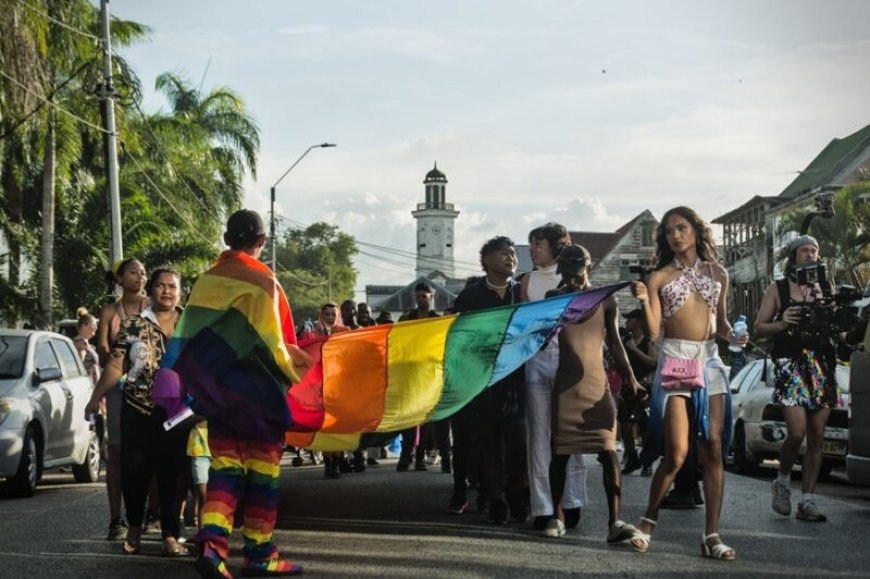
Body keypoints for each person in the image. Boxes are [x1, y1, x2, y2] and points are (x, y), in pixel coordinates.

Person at [167, 209, 310, 578]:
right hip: (260, 397)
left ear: (228, 239)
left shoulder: (207, 281)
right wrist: (302, 366)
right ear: (260, 241)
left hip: (221, 398)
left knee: (225, 471)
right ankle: (260, 554)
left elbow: (187, 338)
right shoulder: (265, 281)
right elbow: (280, 345)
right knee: (263, 475)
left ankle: (213, 549)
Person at [628, 206, 746, 560]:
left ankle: (711, 535)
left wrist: (735, 338)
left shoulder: (718, 273)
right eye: (668, 231)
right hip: (676, 360)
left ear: (696, 230)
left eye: (681, 228)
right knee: (677, 453)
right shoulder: (659, 277)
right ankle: (647, 522)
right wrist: (645, 299)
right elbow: (652, 332)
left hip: (710, 360)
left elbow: (721, 323)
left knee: (713, 447)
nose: (675, 235)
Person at [86, 268, 189, 557]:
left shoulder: (190, 324)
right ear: (151, 290)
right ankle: (134, 526)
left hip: (176, 411)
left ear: (180, 292)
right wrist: (96, 398)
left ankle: (170, 534)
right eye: (160, 286)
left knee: (173, 472)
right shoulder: (133, 324)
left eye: (172, 286)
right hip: (137, 408)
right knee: (134, 471)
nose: (166, 291)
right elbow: (117, 365)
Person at [544, 245, 641, 541]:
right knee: (560, 453)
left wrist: (632, 378)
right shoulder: (555, 299)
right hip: (566, 386)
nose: (571, 280)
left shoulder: (606, 300)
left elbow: (615, 343)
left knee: (609, 452)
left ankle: (615, 522)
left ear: (587, 268)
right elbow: (540, 333)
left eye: (575, 274)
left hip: (597, 386)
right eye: (566, 275)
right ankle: (556, 516)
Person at [754, 235, 840, 522]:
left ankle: (808, 500)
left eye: (814, 250)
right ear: (793, 256)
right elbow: (759, 328)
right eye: (804, 250)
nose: (810, 254)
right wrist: (783, 321)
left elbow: (837, 326)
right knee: (798, 431)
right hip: (791, 363)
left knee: (817, 435)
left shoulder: (827, 286)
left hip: (822, 364)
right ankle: (782, 480)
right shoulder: (777, 288)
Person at [450, 236, 528, 524]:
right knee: (487, 443)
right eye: (503, 254)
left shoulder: (523, 292)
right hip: (481, 381)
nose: (510, 258)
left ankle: (517, 491)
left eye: (512, 254)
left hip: (517, 380)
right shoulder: (469, 297)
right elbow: (458, 338)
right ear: (486, 261)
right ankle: (495, 499)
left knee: (518, 441)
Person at [520, 223, 586, 531]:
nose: (532, 250)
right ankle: (544, 507)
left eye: (538, 244)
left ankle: (572, 501)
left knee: (569, 433)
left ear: (556, 249)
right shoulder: (527, 281)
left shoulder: (577, 278)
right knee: (539, 437)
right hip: (536, 361)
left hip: (569, 362)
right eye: (531, 244)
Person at [96, 258, 148, 542]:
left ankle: (148, 515)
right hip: (117, 387)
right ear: (120, 278)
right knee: (116, 452)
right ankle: (116, 518)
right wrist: (120, 359)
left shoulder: (152, 307)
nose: (139, 276)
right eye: (132, 272)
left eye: (142, 272)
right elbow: (103, 348)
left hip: (149, 388)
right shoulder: (108, 311)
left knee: (147, 452)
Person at [396, 283, 448, 472]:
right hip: (409, 372)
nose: (421, 300)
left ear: (431, 297)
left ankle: (420, 457)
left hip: (429, 372)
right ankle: (406, 454)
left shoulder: (437, 319)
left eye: (424, 297)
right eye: (418, 297)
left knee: (426, 417)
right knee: (409, 415)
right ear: (414, 297)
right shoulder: (406, 318)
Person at [299, 302, 352, 479]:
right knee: (323, 426)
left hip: (339, 385)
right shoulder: (311, 334)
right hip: (318, 388)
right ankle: (329, 462)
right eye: (326, 314)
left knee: (337, 425)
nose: (330, 317)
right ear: (321, 315)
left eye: (332, 314)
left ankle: (337, 459)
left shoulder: (345, 332)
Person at [619, 309, 655, 476]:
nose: (626, 322)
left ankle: (647, 461)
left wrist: (634, 350)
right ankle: (631, 457)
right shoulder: (625, 340)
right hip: (627, 387)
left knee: (645, 424)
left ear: (639, 321)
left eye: (630, 319)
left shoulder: (648, 341)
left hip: (644, 387)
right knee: (625, 423)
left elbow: (653, 363)